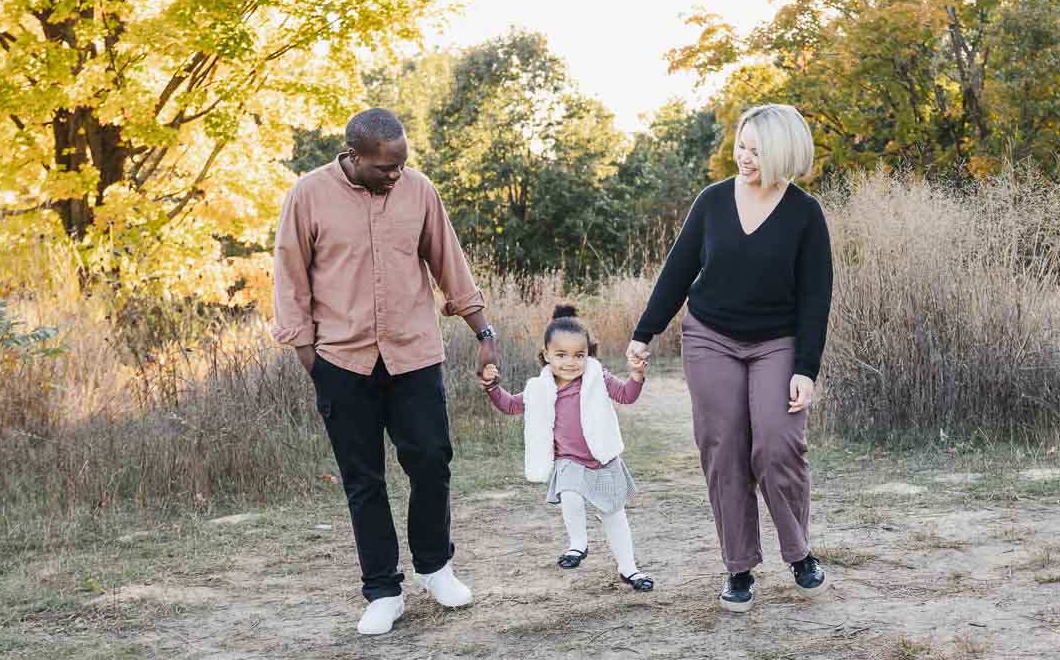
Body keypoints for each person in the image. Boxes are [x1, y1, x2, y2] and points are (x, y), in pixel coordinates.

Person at [272, 108, 499, 636]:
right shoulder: (307, 194)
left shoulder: (419, 191)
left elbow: (450, 263)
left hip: (414, 354)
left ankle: (435, 568)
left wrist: (483, 333)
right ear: (353, 156)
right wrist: (312, 358)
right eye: (385, 168)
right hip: (342, 360)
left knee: (431, 460)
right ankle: (382, 590)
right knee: (363, 480)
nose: (395, 175)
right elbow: (289, 279)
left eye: (401, 165)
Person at [627, 103, 832, 613]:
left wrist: (806, 368)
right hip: (710, 336)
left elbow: (815, 299)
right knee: (722, 446)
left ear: (783, 152)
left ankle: (798, 551)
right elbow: (677, 271)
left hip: (777, 342)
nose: (744, 157)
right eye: (741, 146)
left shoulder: (805, 214)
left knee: (776, 445)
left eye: (757, 151)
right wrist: (644, 333)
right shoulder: (713, 201)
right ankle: (738, 567)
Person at [479, 304, 655, 592]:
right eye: (561, 355)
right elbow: (510, 405)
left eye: (578, 355)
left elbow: (626, 395)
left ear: (589, 355)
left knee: (615, 515)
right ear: (546, 355)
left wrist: (636, 376)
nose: (570, 362)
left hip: (603, 460)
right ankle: (578, 544)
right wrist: (491, 387)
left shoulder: (598, 378)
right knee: (570, 492)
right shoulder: (540, 389)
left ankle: (629, 568)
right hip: (569, 460)